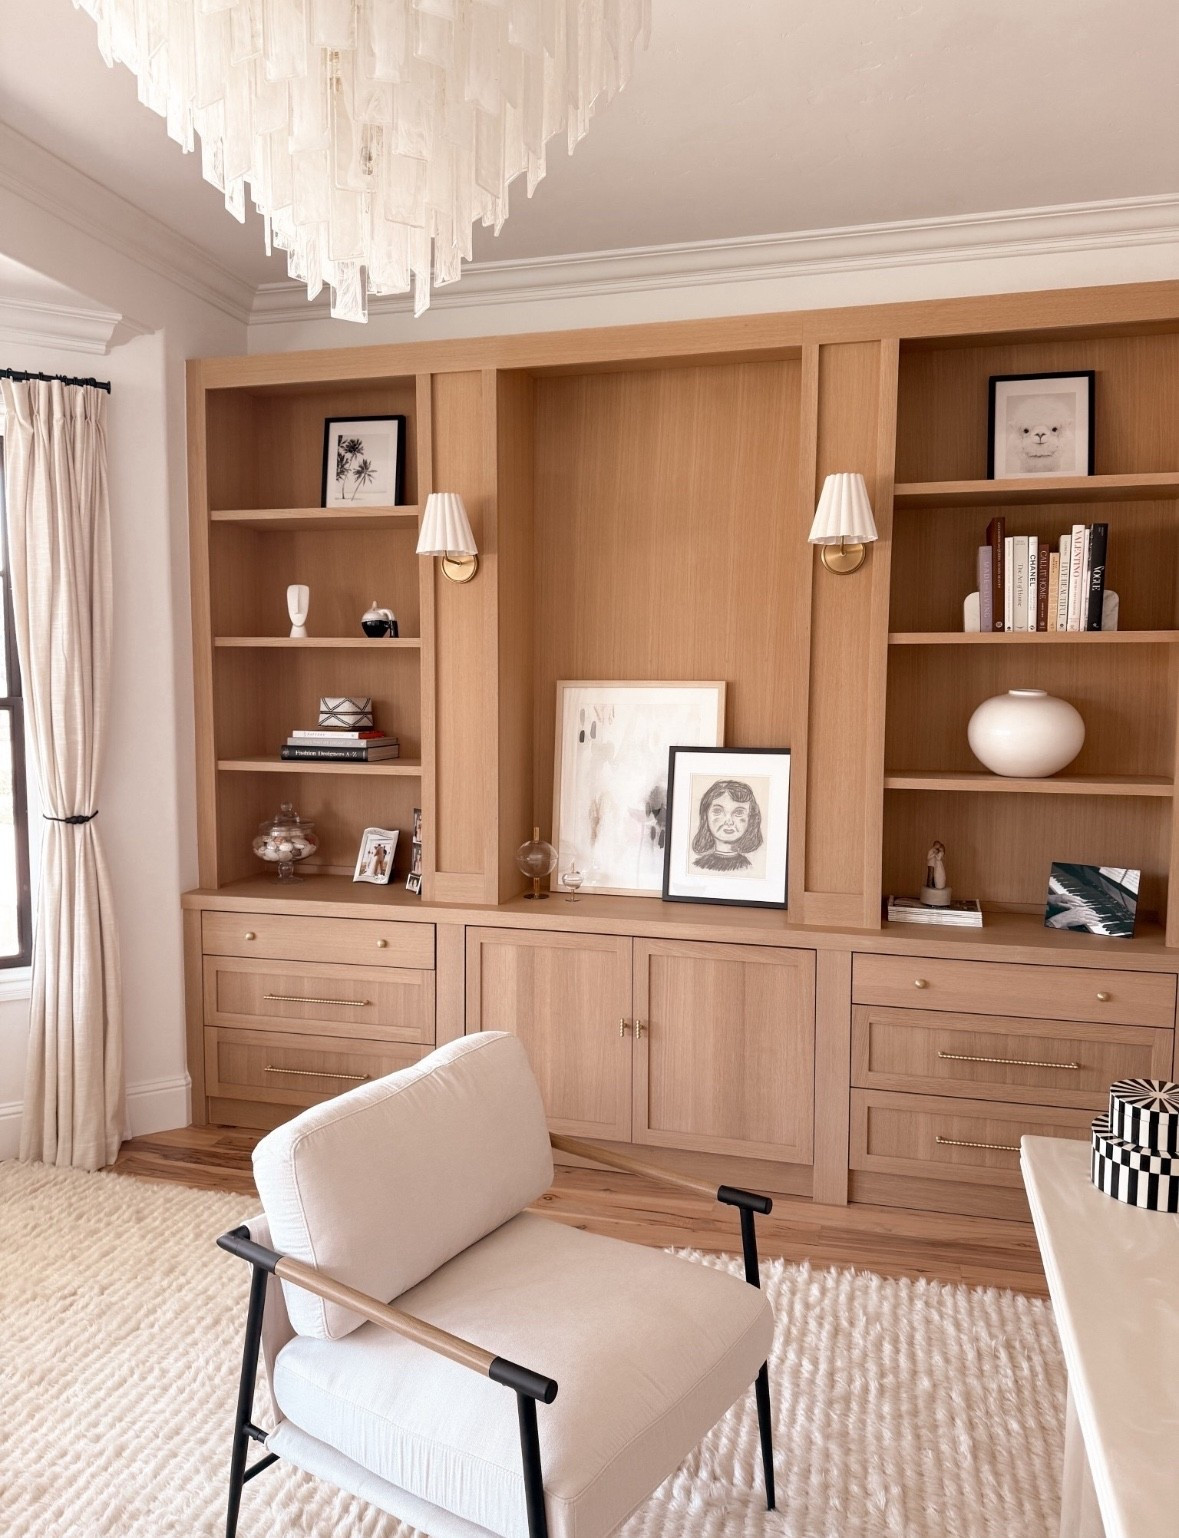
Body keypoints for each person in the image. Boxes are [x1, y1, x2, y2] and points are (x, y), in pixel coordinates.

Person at [691, 780, 763, 872]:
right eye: (718, 811)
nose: (728, 821)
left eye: (739, 812)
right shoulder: (697, 867)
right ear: (705, 816)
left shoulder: (751, 868)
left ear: (751, 818)